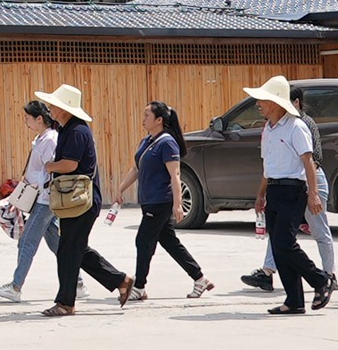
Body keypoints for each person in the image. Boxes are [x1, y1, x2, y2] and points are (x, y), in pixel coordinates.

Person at [32, 84, 132, 315]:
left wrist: (49, 166)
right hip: (73, 200)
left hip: (81, 200)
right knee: (74, 248)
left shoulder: (77, 131)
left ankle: (66, 302)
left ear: (64, 108)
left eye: (54, 105)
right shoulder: (68, 128)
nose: (50, 108)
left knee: (68, 250)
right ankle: (121, 280)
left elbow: (70, 164)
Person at [245, 74, 331, 316]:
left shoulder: (296, 126)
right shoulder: (268, 129)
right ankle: (294, 300)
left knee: (285, 243)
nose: (258, 104)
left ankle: (320, 279)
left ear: (275, 102)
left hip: (293, 189)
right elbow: (267, 164)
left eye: (262, 99)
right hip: (274, 189)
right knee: (279, 245)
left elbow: (308, 161)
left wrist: (313, 194)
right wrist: (261, 194)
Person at [131, 100, 210, 299]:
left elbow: (175, 175)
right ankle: (200, 278)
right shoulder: (146, 141)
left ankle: (139, 286)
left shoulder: (167, 142)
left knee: (143, 240)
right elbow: (136, 168)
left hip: (160, 201)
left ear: (159, 120)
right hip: (148, 200)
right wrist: (120, 190)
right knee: (169, 242)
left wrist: (178, 203)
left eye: (146, 115)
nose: (143, 119)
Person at [0, 97, 62, 303]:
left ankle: (15, 286)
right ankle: (78, 281)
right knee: (56, 242)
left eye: (27, 118)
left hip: (44, 199)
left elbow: (49, 170)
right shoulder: (42, 139)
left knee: (27, 241)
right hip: (39, 197)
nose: (26, 122)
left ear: (39, 119)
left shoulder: (49, 140)